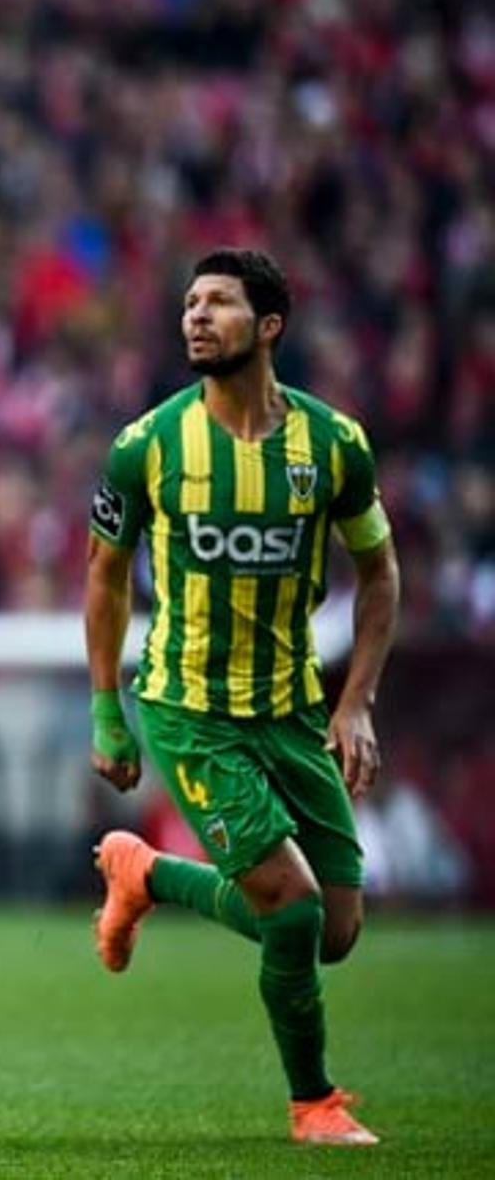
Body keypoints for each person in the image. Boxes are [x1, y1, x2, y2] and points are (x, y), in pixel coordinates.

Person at [84, 249, 400, 1146]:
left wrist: (357, 702)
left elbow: (380, 575)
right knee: (291, 910)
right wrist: (109, 709)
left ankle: (145, 872)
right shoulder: (147, 445)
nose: (196, 315)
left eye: (219, 302)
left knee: (333, 930)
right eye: (189, 301)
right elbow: (105, 577)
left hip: (293, 712)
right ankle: (314, 1105)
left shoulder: (333, 445)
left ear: (269, 327)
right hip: (189, 712)